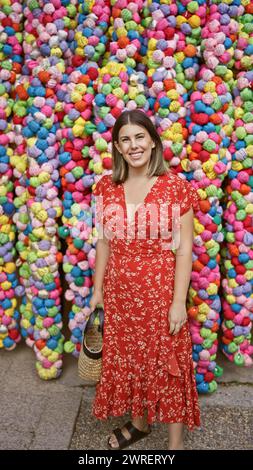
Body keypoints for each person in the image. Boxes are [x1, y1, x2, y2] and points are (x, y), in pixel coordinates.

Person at [89, 109, 201, 450]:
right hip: (120, 292)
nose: (133, 145)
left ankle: (175, 444)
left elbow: (183, 251)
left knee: (168, 363)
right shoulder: (106, 188)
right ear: (118, 149)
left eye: (139, 137)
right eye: (125, 140)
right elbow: (105, 241)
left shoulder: (175, 188)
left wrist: (178, 301)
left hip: (160, 292)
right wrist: (97, 292)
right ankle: (139, 424)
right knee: (130, 357)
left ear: (153, 142)